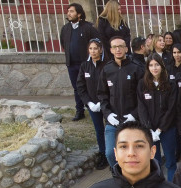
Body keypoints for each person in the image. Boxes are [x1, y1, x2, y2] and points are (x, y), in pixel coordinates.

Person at [98, 36, 144, 168]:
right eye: (114, 47)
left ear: (126, 48)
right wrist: (108, 114)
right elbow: (102, 95)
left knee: (132, 155)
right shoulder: (106, 70)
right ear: (111, 50)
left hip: (132, 121)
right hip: (113, 121)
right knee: (110, 154)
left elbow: (142, 96)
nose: (118, 49)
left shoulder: (136, 69)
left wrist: (134, 115)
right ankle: (118, 177)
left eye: (120, 46)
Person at [137, 54, 179, 181]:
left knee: (171, 161)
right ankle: (158, 187)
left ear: (162, 66)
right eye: (151, 65)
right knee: (155, 162)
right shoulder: (142, 84)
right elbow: (141, 107)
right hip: (150, 130)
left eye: (157, 65)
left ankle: (172, 187)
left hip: (167, 129)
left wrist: (160, 129)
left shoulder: (171, 84)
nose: (154, 68)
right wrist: (149, 129)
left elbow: (171, 109)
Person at [60, 3, 99, 121]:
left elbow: (96, 42)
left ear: (79, 14)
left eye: (72, 11)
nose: (69, 13)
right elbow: (63, 44)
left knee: (91, 86)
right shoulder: (65, 28)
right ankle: (80, 111)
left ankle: (96, 108)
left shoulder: (88, 27)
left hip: (86, 64)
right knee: (77, 87)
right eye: (68, 11)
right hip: (71, 64)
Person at [76, 38, 108, 170]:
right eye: (91, 49)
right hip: (92, 105)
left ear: (100, 49)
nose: (93, 51)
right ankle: (103, 154)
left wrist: (103, 102)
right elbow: (80, 87)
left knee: (110, 130)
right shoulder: (85, 66)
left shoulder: (107, 64)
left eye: (95, 48)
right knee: (99, 130)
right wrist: (89, 103)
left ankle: (114, 155)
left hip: (106, 105)